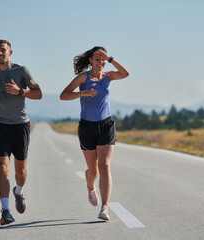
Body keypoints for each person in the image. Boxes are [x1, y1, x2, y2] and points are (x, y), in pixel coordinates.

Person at [60, 46, 130, 220]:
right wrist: (83, 93)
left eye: (103, 59)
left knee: (104, 166)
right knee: (93, 171)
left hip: (106, 125)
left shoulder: (109, 76)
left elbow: (126, 73)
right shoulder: (83, 78)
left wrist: (111, 58)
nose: (100, 62)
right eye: (97, 59)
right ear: (90, 60)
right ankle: (91, 188)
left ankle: (104, 208)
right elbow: (64, 95)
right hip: (87, 127)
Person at [0, 40, 42, 225]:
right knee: (2, 168)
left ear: (10, 52)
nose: (0, 53)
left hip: (20, 126)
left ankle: (19, 191)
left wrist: (20, 91)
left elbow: (38, 93)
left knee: (21, 171)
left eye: (3, 50)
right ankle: (6, 211)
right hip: (1, 126)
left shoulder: (21, 71)